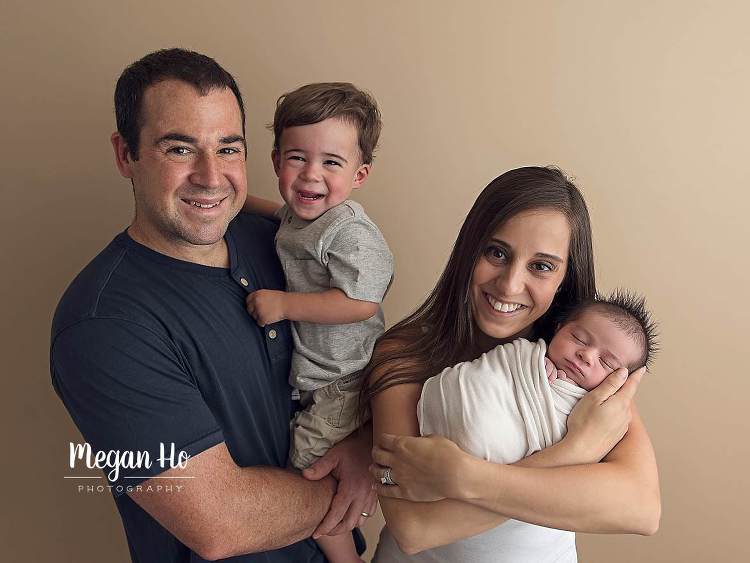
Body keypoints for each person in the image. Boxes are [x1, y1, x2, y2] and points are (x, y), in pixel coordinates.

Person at [50, 48, 374, 563]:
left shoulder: (281, 240)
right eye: (179, 149)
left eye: (228, 149)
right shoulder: (103, 324)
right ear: (124, 155)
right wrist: (355, 485)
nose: (211, 175)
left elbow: (355, 357)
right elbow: (219, 522)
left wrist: (363, 442)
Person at [360, 167, 661, 561]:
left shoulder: (582, 366)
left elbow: (641, 508)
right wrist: (573, 453)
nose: (509, 285)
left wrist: (462, 477)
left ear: (565, 277)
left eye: (541, 266)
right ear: (470, 250)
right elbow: (416, 529)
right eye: (497, 253)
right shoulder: (405, 353)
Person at [243, 82, 393, 563]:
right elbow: (279, 215)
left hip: (345, 377)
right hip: (321, 375)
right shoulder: (300, 214)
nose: (311, 175)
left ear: (360, 173)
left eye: (331, 162)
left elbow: (361, 303)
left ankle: (343, 558)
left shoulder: (349, 231)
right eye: (296, 158)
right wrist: (237, 199)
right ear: (275, 161)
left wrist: (286, 306)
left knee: (308, 466)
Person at [417, 291, 660, 557]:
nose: (586, 355)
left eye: (606, 362)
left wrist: (464, 475)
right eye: (578, 338)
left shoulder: (609, 410)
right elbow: (413, 531)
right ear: (559, 328)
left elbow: (644, 513)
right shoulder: (523, 357)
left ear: (621, 381)